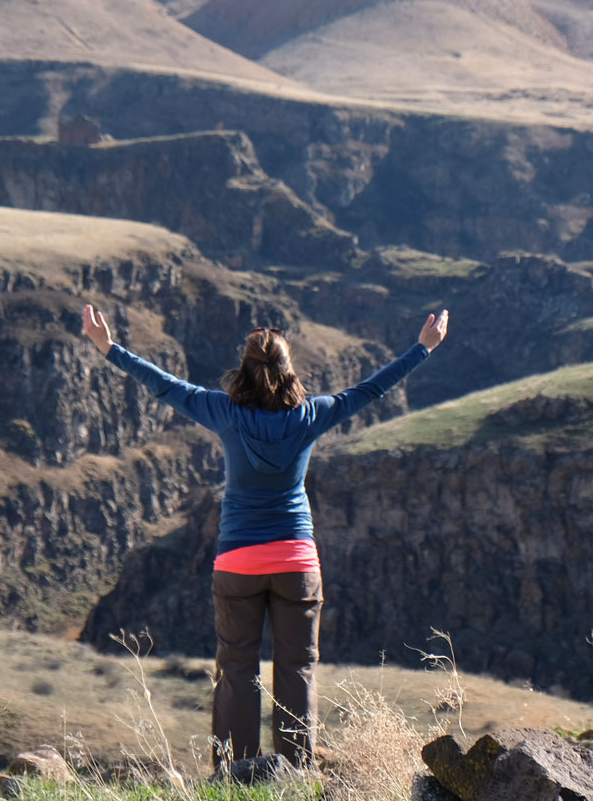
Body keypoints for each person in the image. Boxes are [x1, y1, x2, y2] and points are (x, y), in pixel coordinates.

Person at [80, 304, 449, 769]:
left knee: (236, 668)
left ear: (245, 370)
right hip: (296, 562)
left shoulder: (224, 412)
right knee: (297, 666)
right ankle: (295, 770)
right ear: (288, 369)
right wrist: (423, 349)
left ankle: (236, 771)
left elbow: (166, 385)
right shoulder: (313, 415)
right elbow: (370, 390)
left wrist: (109, 348)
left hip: (238, 562)